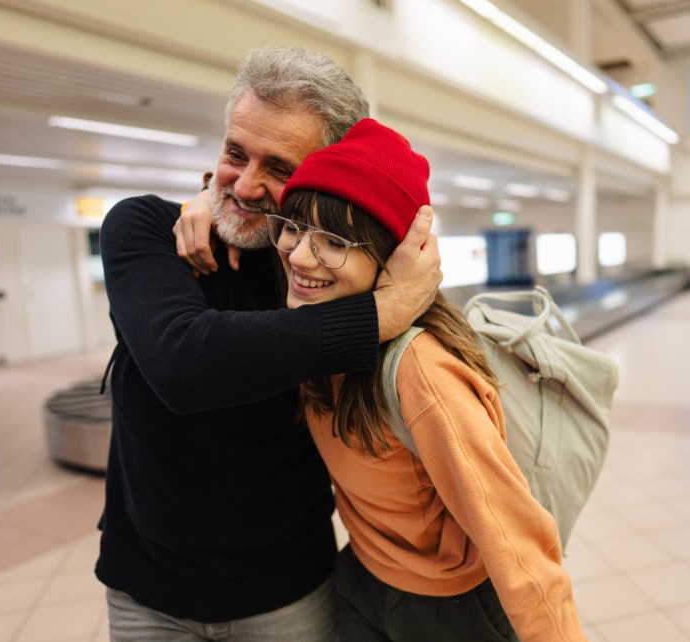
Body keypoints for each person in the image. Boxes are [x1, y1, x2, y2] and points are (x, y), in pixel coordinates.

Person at [95, 47, 441, 641]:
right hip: (148, 592)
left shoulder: (320, 276)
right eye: (234, 154)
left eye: (279, 168)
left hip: (289, 593)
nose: (247, 185)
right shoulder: (146, 230)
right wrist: (380, 313)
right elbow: (184, 364)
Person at [270, 117, 586, 641]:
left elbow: (515, 537)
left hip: (451, 610)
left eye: (333, 240)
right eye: (296, 228)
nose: (301, 256)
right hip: (362, 580)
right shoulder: (310, 336)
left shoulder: (418, 368)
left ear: (392, 259)